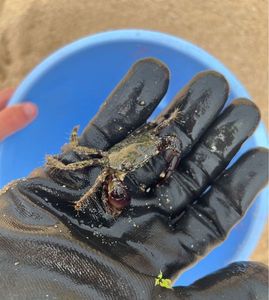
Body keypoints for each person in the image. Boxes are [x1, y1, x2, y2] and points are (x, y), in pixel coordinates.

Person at [0, 59, 267, 299]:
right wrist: (83, 200)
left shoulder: (157, 139)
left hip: (136, 148)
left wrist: (164, 165)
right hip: (112, 164)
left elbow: (168, 138)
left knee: (170, 134)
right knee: (91, 176)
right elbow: (84, 158)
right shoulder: (107, 171)